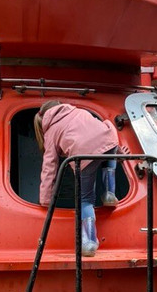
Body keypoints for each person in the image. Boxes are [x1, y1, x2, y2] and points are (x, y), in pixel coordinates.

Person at [35, 101, 119, 256]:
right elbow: (97, 130)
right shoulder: (79, 111)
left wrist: (46, 199)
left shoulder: (51, 131)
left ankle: (89, 242)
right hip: (109, 140)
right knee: (109, 146)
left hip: (84, 156)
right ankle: (109, 191)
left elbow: (49, 167)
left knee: (85, 200)